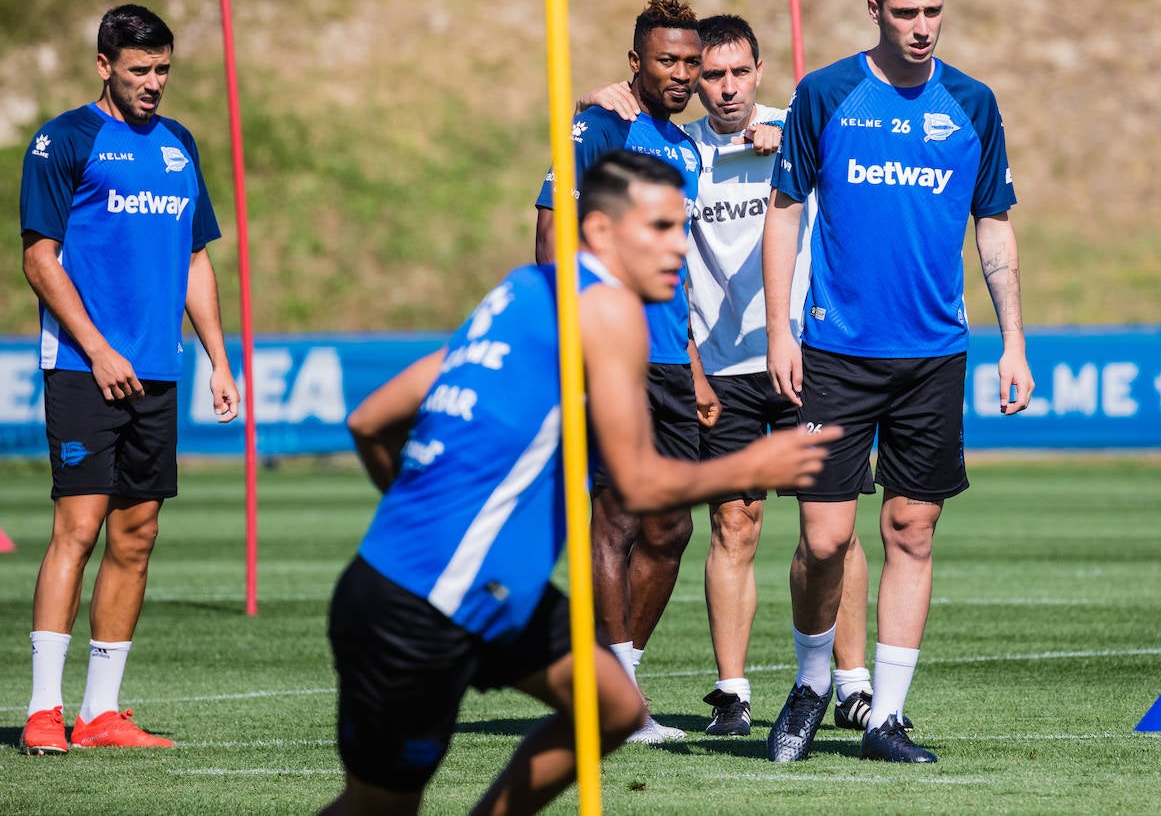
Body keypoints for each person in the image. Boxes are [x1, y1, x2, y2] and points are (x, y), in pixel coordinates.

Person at [322, 150, 839, 815]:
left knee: (614, 707)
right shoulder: (608, 311)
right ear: (598, 232)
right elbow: (640, 485)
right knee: (377, 810)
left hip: (480, 588)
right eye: (657, 228)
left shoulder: (521, 291)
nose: (679, 246)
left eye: (682, 226)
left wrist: (418, 514)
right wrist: (751, 468)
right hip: (419, 609)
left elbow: (371, 421)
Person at [760, 0, 1035, 764]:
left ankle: (886, 715)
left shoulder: (973, 104)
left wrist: (1012, 340)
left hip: (933, 355)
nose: (922, 29)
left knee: (912, 527)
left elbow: (995, 223)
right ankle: (813, 683)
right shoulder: (827, 93)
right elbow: (783, 212)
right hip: (836, 352)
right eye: (906, 13)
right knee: (823, 540)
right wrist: (780, 330)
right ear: (875, 9)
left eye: (933, 12)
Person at [586, 14, 885, 737]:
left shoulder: (800, 128)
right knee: (734, 523)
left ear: (759, 70)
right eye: (709, 74)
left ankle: (852, 684)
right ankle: (732, 692)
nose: (722, 88)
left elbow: (872, 160)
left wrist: (797, 144)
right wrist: (603, 98)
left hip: (811, 357)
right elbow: (617, 133)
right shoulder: (678, 148)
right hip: (720, 369)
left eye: (736, 73)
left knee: (833, 530)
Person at [18, 4, 240, 754]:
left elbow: (194, 259)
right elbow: (39, 258)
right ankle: (44, 710)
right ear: (104, 66)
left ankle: (101, 713)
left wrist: (216, 355)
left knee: (137, 535)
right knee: (76, 530)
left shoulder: (180, 144)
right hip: (84, 369)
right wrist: (98, 348)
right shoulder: (64, 140)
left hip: (156, 371)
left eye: (164, 70)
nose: (153, 84)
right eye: (140, 70)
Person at [534, 0, 706, 743]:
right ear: (635, 61)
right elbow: (551, 231)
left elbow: (678, 270)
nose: (682, 73)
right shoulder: (595, 127)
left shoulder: (687, 146)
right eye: (667, 60)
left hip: (670, 357)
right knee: (618, 514)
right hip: (610, 349)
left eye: (690, 62)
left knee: (671, 528)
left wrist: (695, 363)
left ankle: (616, 684)